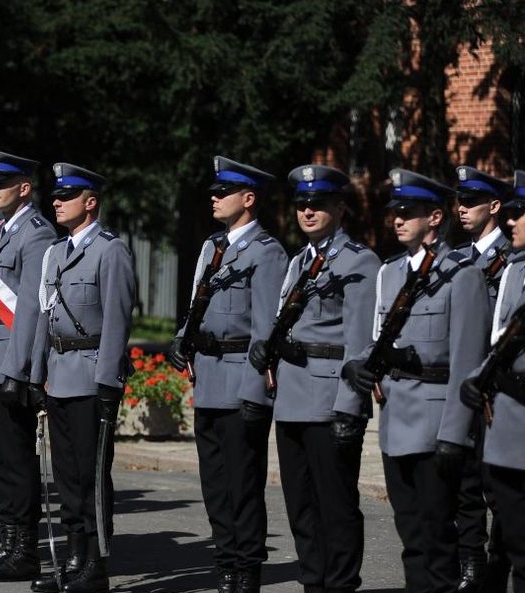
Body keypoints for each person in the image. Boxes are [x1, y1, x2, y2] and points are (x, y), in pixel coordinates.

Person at [342, 169, 489, 593]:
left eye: (409, 212)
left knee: (438, 540)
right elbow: (373, 342)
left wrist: (454, 434)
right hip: (395, 425)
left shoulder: (462, 275)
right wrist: (357, 366)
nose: (398, 220)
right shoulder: (388, 274)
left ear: (436, 218)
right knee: (410, 538)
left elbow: (467, 364)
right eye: (396, 213)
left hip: (436, 424)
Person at [248, 165, 380, 593]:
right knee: (301, 506)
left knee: (336, 505)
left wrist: (351, 407)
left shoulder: (359, 261)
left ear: (340, 208)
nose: (307, 211)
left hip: (329, 400)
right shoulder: (298, 261)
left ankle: (339, 585)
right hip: (293, 399)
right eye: (302, 204)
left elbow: (360, 348)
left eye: (318, 204)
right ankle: (313, 582)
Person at [168, 156, 287, 593]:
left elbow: (265, 329)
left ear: (249, 199)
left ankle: (247, 566)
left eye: (224, 192)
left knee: (243, 482)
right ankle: (225, 559)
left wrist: (257, 393)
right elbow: (197, 306)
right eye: (215, 192)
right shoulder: (211, 247)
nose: (215, 198)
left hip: (241, 380)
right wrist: (183, 337)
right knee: (215, 483)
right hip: (210, 380)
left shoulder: (267, 252)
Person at [28, 163, 135, 593]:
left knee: (91, 475)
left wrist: (109, 383)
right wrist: (36, 372)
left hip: (91, 376)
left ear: (90, 203)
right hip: (60, 374)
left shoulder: (111, 251)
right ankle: (73, 557)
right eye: (56, 195)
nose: (57, 201)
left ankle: (95, 562)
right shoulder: (55, 252)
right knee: (67, 476)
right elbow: (44, 316)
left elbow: (116, 321)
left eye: (67, 195)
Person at [0, 150, 56, 582]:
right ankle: (7, 542)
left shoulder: (36, 234)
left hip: (8, 359)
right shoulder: (1, 231)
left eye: (2, 184)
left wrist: (20, 369)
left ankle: (24, 549)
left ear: (24, 188)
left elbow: (32, 309)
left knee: (16, 459)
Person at [460, 169, 525, 593]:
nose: (461, 208)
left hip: (503, 393)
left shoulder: (511, 261)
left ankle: (495, 563)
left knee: (500, 492)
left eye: (472, 200)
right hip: (477, 384)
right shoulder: (456, 258)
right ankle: (474, 559)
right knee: (468, 482)